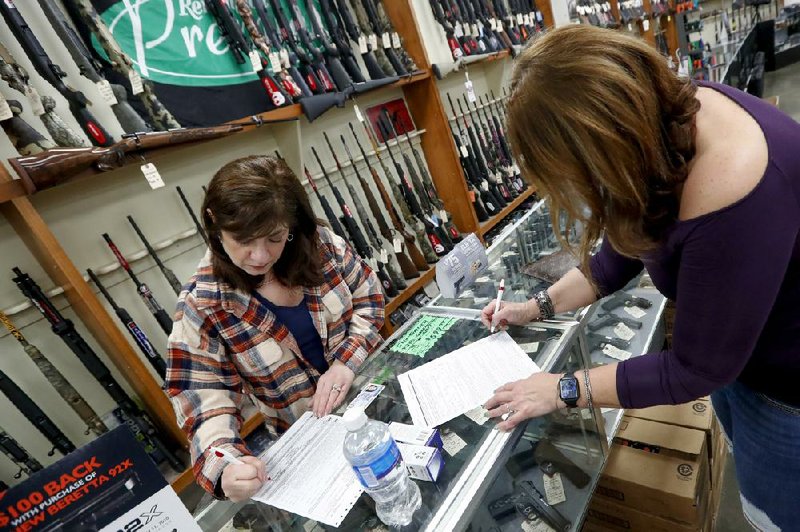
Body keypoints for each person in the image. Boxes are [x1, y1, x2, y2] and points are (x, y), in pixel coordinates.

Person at [480, 25, 800, 531]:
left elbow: (694, 370)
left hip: (787, 390)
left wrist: (563, 390)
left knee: (773, 516)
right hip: (741, 363)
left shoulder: (731, 182)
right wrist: (537, 307)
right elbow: (622, 252)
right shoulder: (664, 132)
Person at [165, 155, 385, 502]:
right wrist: (226, 467)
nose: (259, 255)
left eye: (274, 237)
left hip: (377, 400)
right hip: (306, 445)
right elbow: (202, 398)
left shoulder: (321, 246)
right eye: (243, 240)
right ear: (213, 221)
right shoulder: (203, 303)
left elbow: (369, 298)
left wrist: (345, 361)